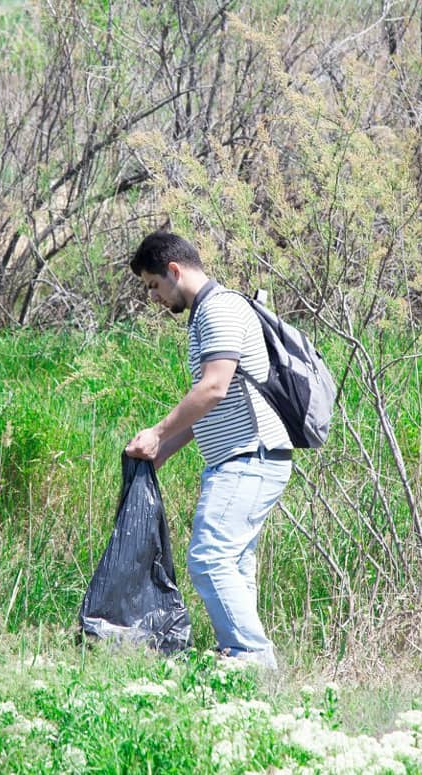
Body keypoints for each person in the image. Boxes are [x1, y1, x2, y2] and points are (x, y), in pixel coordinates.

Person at [125, 231, 292, 670]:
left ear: (174, 271)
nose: (153, 297)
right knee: (233, 564)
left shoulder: (219, 309)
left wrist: (158, 431)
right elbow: (212, 413)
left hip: (249, 458)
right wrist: (164, 450)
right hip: (243, 457)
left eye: (153, 285)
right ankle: (249, 666)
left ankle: (249, 656)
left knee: (209, 555)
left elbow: (214, 389)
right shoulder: (208, 314)